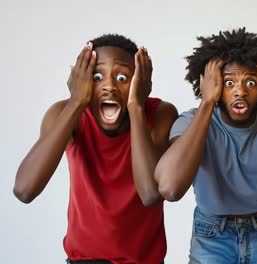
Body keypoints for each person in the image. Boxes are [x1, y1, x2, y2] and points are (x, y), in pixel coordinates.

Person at [154, 28, 257, 264]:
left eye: (251, 82)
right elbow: (170, 188)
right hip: (211, 236)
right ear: (212, 85)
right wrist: (207, 103)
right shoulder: (191, 121)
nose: (240, 91)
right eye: (229, 82)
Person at [14, 34, 178, 264]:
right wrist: (76, 102)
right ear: (82, 81)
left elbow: (150, 194)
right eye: (97, 76)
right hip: (83, 260)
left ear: (139, 82)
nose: (109, 86)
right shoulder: (65, 113)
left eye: (122, 77)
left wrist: (136, 107)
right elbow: (24, 190)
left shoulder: (161, 114)